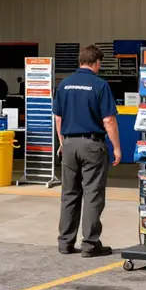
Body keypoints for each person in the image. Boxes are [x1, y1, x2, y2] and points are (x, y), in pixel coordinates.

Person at [53, 44, 121, 257]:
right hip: (92, 145)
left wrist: (62, 142)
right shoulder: (100, 85)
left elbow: (58, 117)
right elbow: (108, 119)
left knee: (69, 194)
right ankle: (90, 244)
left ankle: (65, 242)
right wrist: (117, 147)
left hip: (70, 144)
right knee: (92, 194)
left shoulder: (64, 84)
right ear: (97, 62)